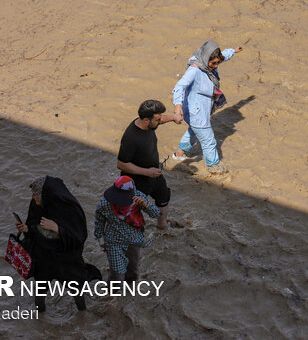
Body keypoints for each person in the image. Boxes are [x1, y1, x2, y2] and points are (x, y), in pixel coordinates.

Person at [15, 176, 102, 312]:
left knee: (77, 291)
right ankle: (40, 318)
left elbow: (78, 238)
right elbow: (33, 228)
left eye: (37, 195)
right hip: (44, 259)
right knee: (40, 293)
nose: (33, 197)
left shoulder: (69, 209)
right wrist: (26, 229)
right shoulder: (36, 204)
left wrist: (57, 228)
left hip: (66, 260)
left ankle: (83, 316)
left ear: (47, 195)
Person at [172, 40, 243, 174]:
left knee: (193, 131)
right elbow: (179, 87)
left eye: (217, 63)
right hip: (196, 111)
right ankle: (214, 167)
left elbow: (223, 56)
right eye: (213, 63)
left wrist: (233, 50)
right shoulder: (195, 70)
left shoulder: (208, 62)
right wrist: (177, 106)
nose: (216, 66)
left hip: (200, 109)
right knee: (209, 140)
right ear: (206, 59)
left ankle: (179, 154)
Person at [117, 99, 181, 230]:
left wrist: (174, 117)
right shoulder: (131, 138)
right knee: (131, 214)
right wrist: (147, 172)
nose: (160, 121)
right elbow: (121, 164)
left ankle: (162, 225)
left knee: (164, 197)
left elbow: (161, 119)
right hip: (137, 182)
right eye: (157, 120)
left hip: (154, 175)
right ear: (147, 120)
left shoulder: (148, 123)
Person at [94, 176, 160, 282]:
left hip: (134, 240)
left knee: (133, 270)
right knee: (117, 272)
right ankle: (113, 293)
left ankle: (129, 293)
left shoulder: (138, 198)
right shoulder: (104, 203)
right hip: (114, 242)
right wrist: (101, 240)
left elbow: (156, 214)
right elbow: (99, 222)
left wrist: (145, 205)